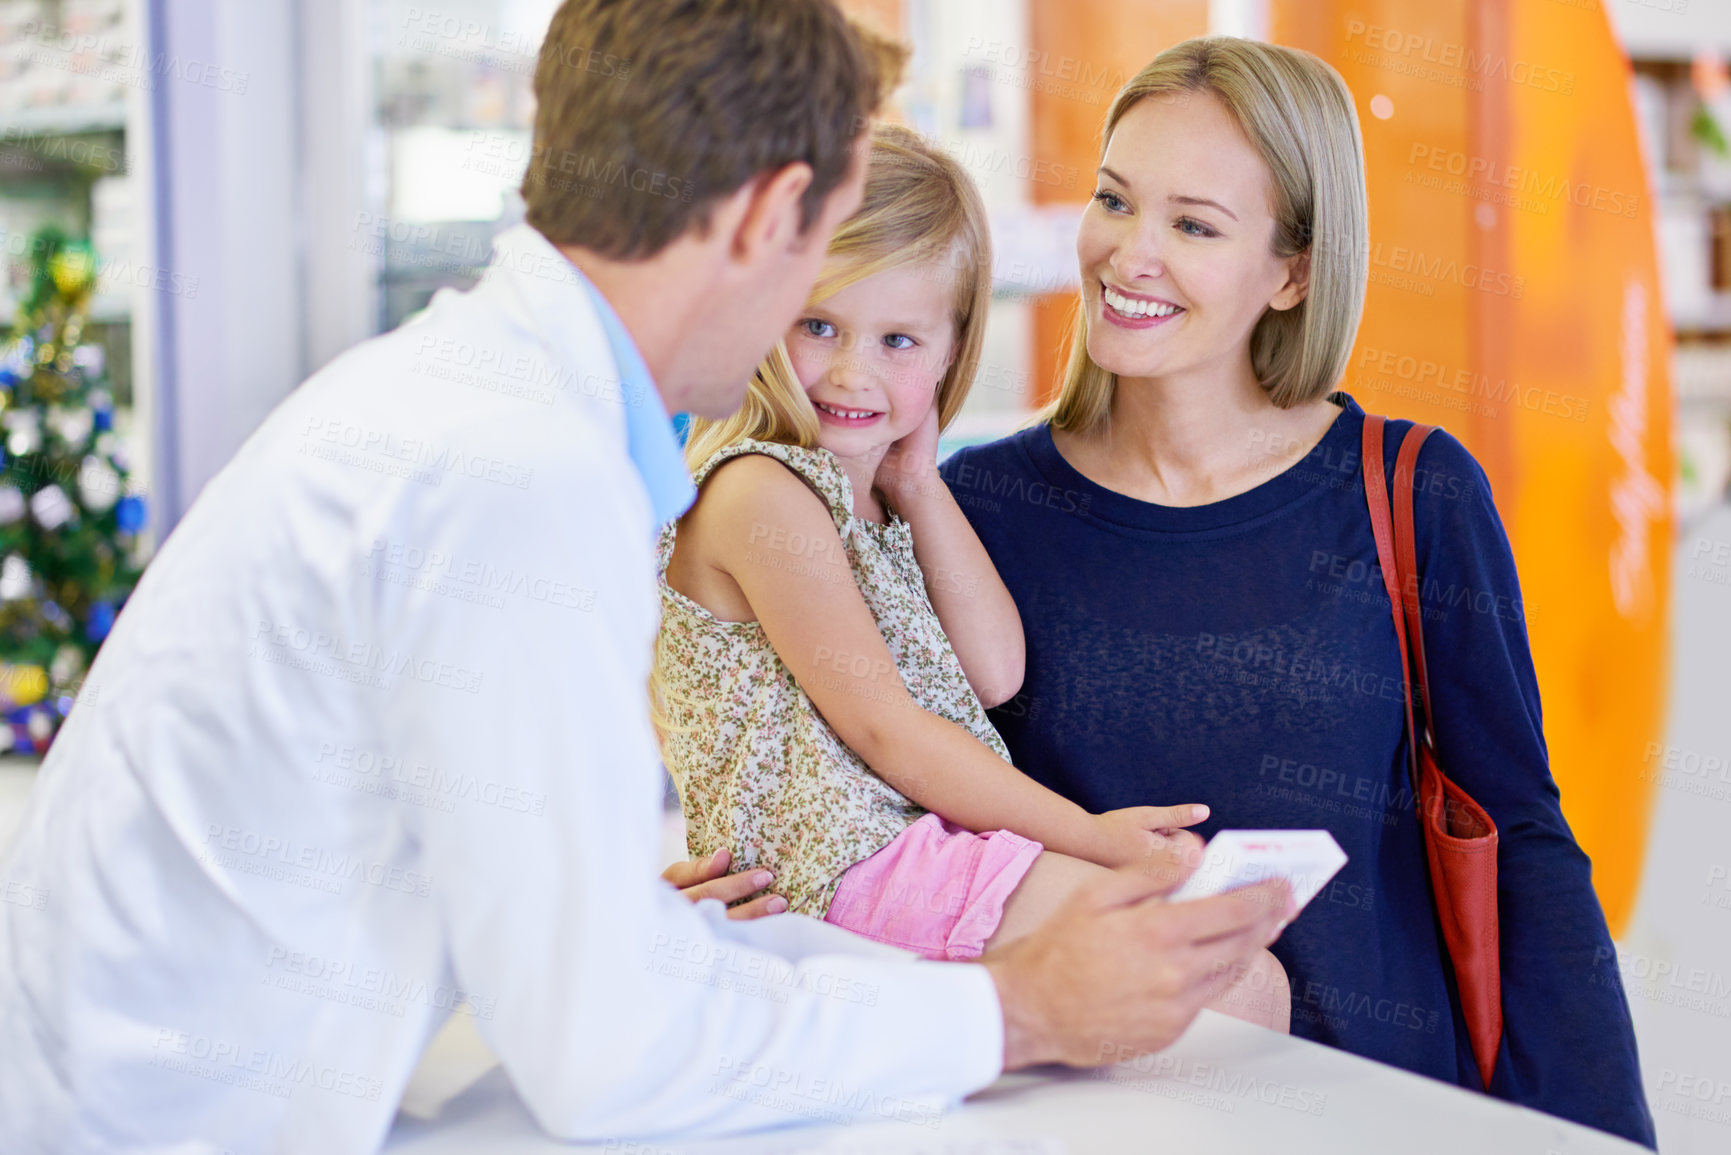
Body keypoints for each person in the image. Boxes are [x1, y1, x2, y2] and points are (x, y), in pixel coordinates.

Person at [0, 5, 1292, 1153]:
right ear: (757, 216)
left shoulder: (454, 399)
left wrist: (601, 896)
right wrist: (1016, 1010)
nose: (830, 339)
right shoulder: (519, 475)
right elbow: (604, 1056)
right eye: (816, 261)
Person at [939, 36, 1656, 1148]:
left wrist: (1608, 1133)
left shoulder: (1412, 492)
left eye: (1194, 225)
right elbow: (894, 815)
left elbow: (1522, 841)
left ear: (1293, 272)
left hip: (1386, 1117)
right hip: (1084, 1122)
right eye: (1113, 200)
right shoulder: (972, 511)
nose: (1129, 254)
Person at [656, 123, 1289, 1027]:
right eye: (819, 323)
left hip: (910, 855)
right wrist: (1095, 838)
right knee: (1229, 984)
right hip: (838, 872)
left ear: (953, 353)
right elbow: (887, 729)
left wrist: (915, 480)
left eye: (899, 342)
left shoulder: (874, 501)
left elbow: (994, 672)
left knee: (1231, 980)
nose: (849, 369)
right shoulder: (763, 491)